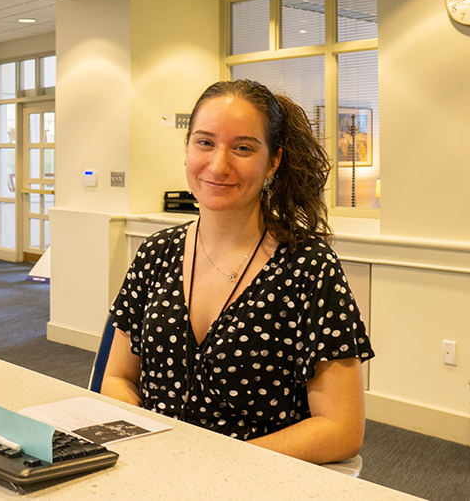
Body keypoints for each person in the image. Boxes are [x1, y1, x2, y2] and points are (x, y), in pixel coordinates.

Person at [101, 79, 374, 465]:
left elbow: (341, 430)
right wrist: (152, 443)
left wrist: (213, 463)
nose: (218, 164)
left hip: (252, 481)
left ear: (273, 161)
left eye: (243, 148)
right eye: (205, 142)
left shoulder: (309, 269)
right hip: (154, 471)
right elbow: (118, 378)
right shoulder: (155, 254)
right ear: (187, 149)